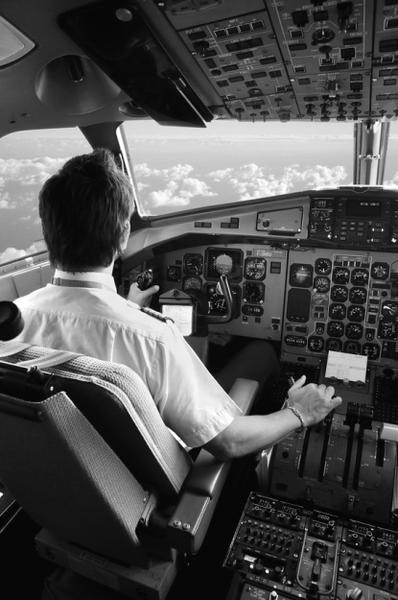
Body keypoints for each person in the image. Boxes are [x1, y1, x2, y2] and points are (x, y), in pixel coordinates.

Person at [14, 148, 342, 460]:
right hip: (161, 475)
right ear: (124, 236)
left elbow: (83, 332)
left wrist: (123, 307)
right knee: (261, 352)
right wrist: (299, 412)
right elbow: (231, 441)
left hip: (69, 472)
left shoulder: (13, 319)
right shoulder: (151, 338)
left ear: (48, 233)